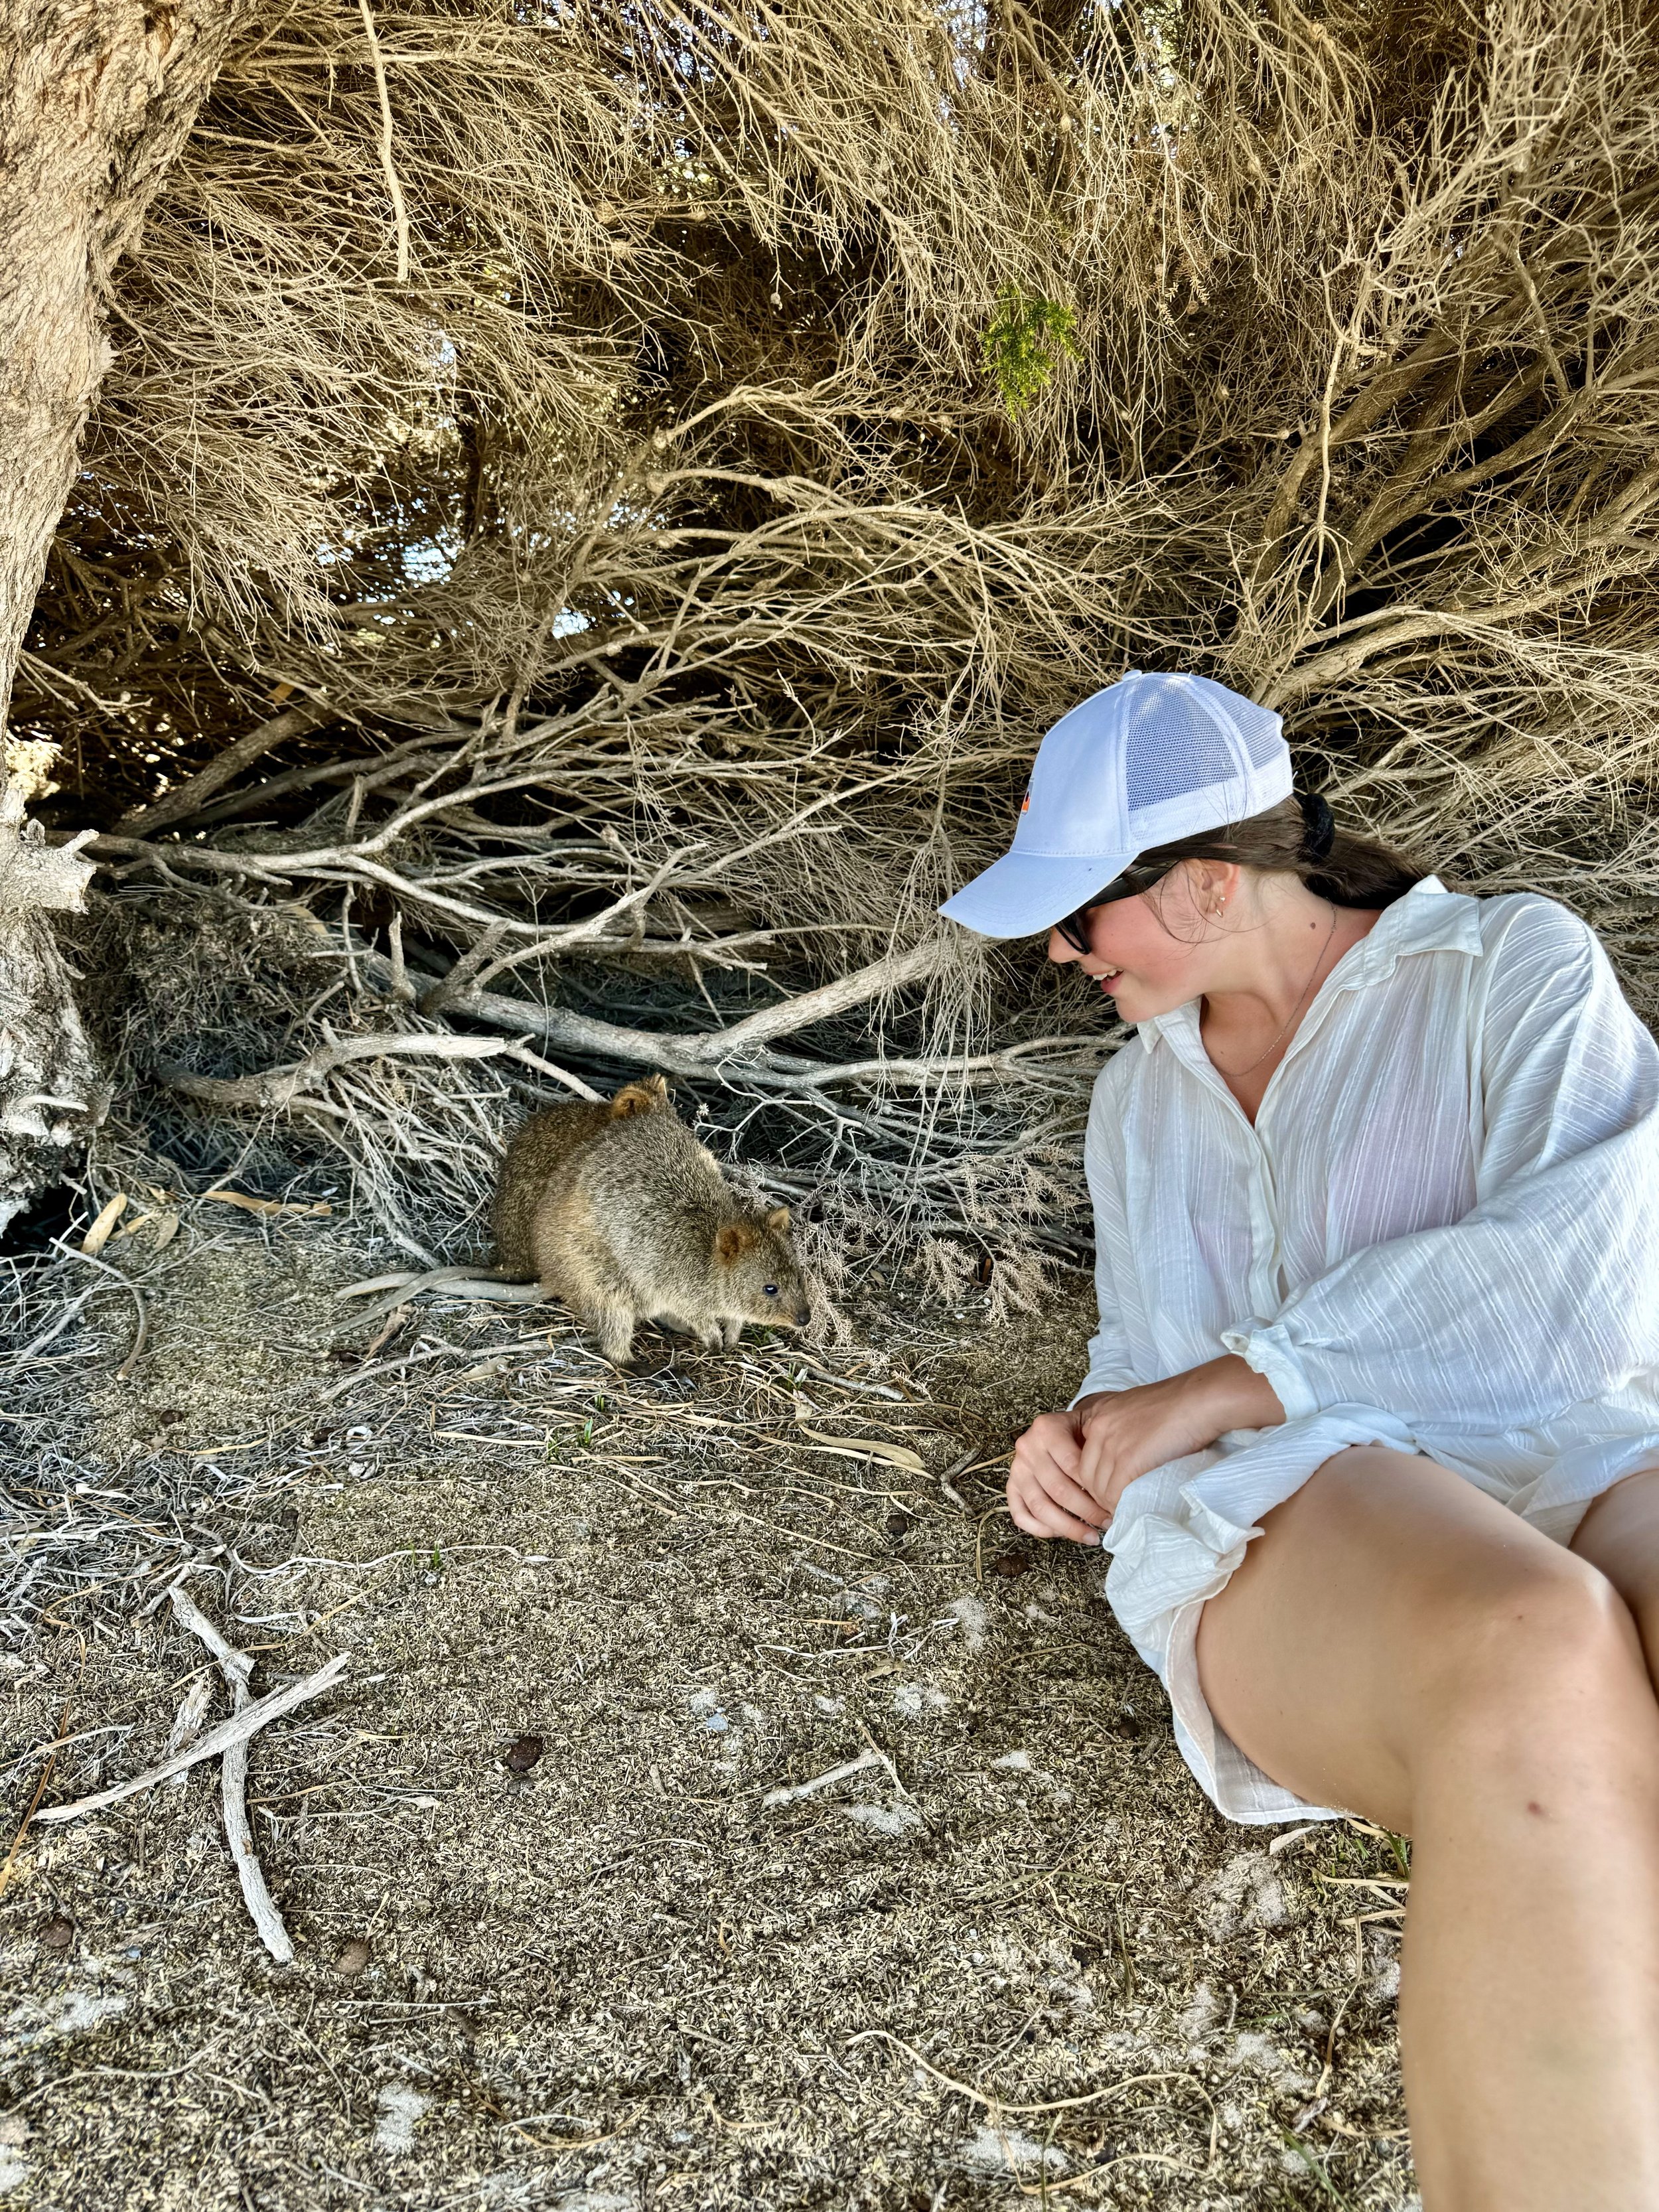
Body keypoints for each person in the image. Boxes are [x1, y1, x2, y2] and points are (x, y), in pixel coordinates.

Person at [938, 670, 1659, 2209]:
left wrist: (1222, 1376)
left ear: (1209, 882)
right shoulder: (1140, 1099)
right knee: (1530, 1639)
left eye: (1081, 916)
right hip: (1285, 1505)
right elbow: (1141, 1365)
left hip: (1576, 1438)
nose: (1061, 953)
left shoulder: (1506, 967)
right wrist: (1079, 1437)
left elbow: (1578, 1285)